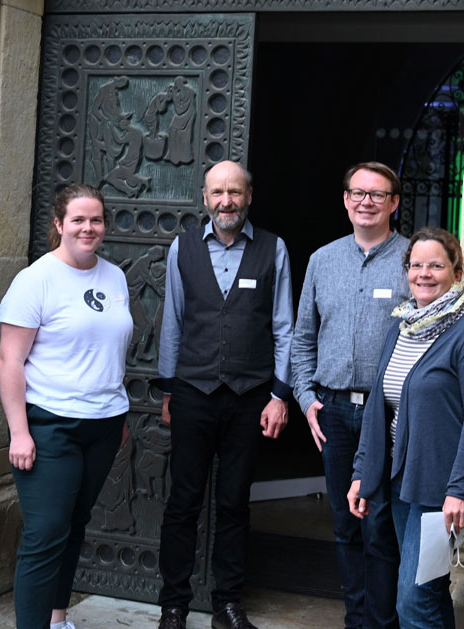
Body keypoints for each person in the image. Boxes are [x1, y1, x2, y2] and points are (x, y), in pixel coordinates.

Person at [156, 160, 294, 629]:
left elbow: (283, 326)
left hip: (250, 395)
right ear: (205, 197)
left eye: (235, 192)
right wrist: (170, 389)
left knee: (235, 502)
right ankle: (173, 604)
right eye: (218, 193)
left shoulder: (273, 250)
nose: (226, 201)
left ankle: (227, 604)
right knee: (183, 502)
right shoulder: (183, 248)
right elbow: (172, 321)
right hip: (193, 392)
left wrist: (279, 394)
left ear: (249, 196)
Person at [0, 184, 134, 629]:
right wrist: (19, 431)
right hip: (50, 425)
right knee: (44, 535)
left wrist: (119, 414)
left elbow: (109, 350)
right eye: (78, 219)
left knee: (75, 525)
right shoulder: (35, 279)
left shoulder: (114, 276)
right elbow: (10, 360)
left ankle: (57, 620)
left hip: (104, 423)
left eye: (96, 220)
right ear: (58, 224)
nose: (88, 228)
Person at [348, 227, 464, 628]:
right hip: (399, 481)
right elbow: (381, 405)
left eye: (436, 265)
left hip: (440, 491)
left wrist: (460, 490)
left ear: (457, 272)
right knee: (426, 589)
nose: (424, 274)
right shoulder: (401, 326)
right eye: (416, 265)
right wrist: (362, 474)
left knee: (414, 597)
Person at [291, 162, 408, 628]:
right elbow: (303, 338)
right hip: (334, 410)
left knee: (380, 524)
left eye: (378, 195)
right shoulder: (322, 260)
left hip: (387, 413)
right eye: (358, 193)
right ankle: (356, 619)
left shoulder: (410, 258)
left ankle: (383, 622)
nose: (366, 202)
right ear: (345, 200)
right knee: (344, 523)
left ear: (394, 203)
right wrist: (305, 398)